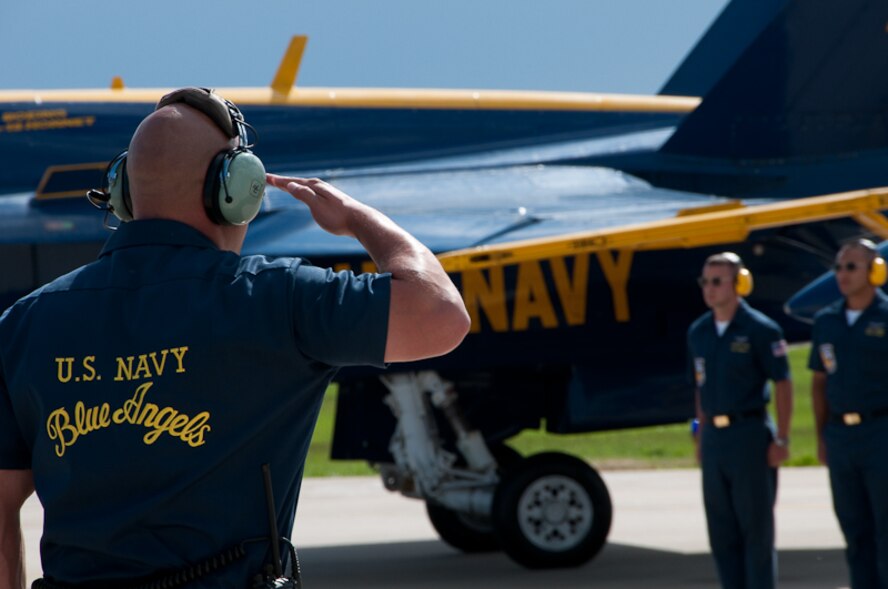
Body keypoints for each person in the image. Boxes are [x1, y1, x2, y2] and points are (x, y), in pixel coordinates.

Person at [0, 87, 470, 589]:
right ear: (235, 188)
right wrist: (357, 218)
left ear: (124, 193)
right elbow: (441, 315)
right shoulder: (276, 297)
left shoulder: (24, 324)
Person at [687, 252, 793, 589]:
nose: (710, 289)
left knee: (755, 534)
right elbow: (701, 386)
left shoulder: (761, 329)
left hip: (749, 435)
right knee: (721, 533)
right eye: (705, 281)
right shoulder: (699, 332)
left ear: (739, 283)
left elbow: (783, 383)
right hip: (715, 442)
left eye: (717, 281)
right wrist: (701, 434)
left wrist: (782, 439)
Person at [809, 238, 888, 589]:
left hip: (881, 433)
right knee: (854, 532)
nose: (842, 274)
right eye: (838, 267)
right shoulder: (826, 321)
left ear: (875, 271)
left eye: (851, 267)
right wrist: (822, 436)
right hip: (841, 438)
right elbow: (819, 383)